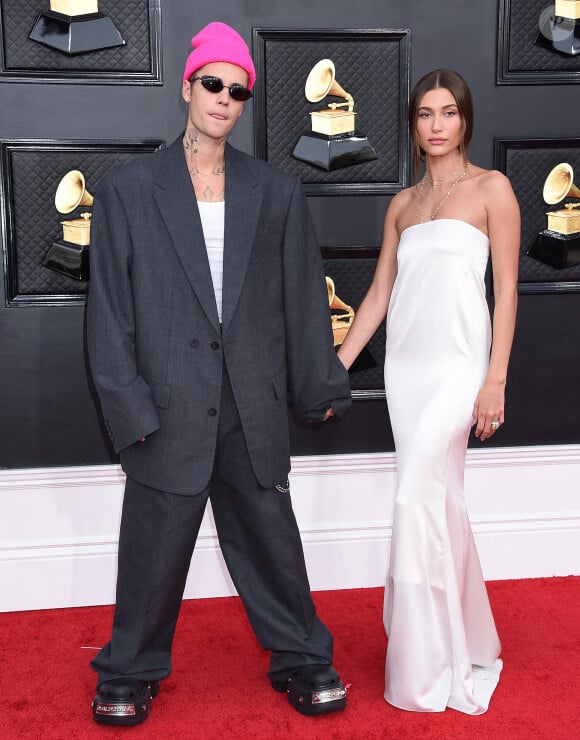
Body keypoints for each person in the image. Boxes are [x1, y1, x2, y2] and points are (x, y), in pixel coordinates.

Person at [86, 21, 351, 726]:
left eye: (238, 91)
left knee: (272, 542)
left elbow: (302, 294)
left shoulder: (277, 191)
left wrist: (318, 383)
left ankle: (302, 659)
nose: (224, 99)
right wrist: (129, 409)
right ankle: (128, 671)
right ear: (188, 87)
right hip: (165, 406)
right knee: (152, 554)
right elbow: (109, 315)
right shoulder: (128, 193)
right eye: (213, 84)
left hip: (251, 401)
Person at [337, 69, 519, 714]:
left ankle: (426, 668)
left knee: (418, 497)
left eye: (448, 112)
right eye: (424, 113)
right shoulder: (402, 205)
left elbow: (506, 292)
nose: (437, 124)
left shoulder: (493, 189)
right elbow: (380, 295)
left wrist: (494, 379)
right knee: (439, 503)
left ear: (465, 119)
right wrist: (340, 364)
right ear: (413, 125)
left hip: (460, 367)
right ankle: (465, 636)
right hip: (406, 371)